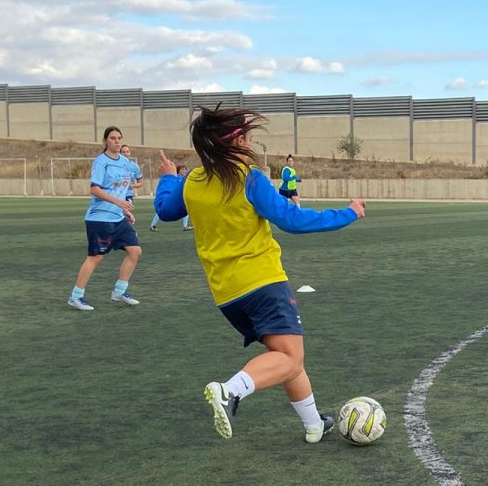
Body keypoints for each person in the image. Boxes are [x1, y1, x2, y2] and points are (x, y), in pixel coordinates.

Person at [152, 106, 366, 444]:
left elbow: (165, 210)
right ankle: (231, 391)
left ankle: (314, 424)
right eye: (248, 137)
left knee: (285, 357)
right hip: (263, 283)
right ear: (238, 140)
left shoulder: (192, 181)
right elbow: (292, 220)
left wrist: (167, 177)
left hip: (226, 294)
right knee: (290, 357)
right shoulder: (248, 177)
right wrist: (349, 213)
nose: (250, 143)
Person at [66, 127, 143, 311]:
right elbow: (95, 189)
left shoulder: (126, 163)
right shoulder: (101, 162)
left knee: (135, 251)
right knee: (95, 257)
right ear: (105, 141)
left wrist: (124, 209)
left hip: (118, 217)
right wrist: (119, 202)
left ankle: (119, 291)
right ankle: (75, 297)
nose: (117, 141)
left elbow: (121, 189)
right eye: (113, 138)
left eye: (119, 138)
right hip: (99, 218)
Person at [151, 165, 193, 231]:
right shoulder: (175, 177)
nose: (184, 171)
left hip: (181, 197)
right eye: (182, 169)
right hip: (172, 196)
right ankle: (153, 225)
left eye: (185, 169)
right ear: (178, 170)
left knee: (186, 209)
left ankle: (185, 226)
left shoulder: (184, 178)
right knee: (161, 210)